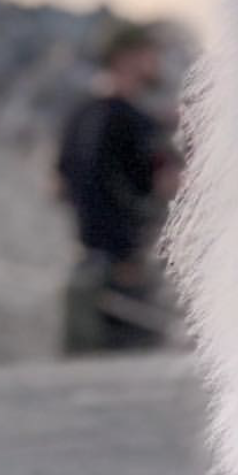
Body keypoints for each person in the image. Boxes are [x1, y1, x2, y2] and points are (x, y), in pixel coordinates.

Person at [55, 21, 179, 352]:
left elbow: (59, 184)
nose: (156, 62)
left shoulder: (80, 115)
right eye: (150, 54)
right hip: (124, 280)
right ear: (126, 58)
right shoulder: (130, 121)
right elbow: (162, 186)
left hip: (88, 272)